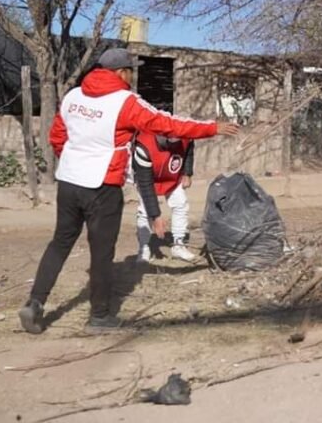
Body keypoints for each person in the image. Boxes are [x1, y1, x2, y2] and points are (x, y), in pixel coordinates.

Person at [19, 48, 239, 335]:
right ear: (122, 72)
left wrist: (75, 161)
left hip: (69, 182)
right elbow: (167, 123)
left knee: (60, 242)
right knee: (101, 253)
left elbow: (57, 137)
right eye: (131, 70)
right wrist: (213, 127)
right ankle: (99, 317)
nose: (132, 76)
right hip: (102, 185)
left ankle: (36, 302)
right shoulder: (126, 102)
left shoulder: (73, 96)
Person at [133, 132, 196, 263]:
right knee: (145, 211)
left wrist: (187, 172)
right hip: (148, 178)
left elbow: (189, 147)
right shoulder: (144, 144)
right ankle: (143, 248)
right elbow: (145, 183)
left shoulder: (185, 134)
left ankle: (178, 245)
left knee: (180, 204)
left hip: (172, 176)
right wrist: (156, 215)